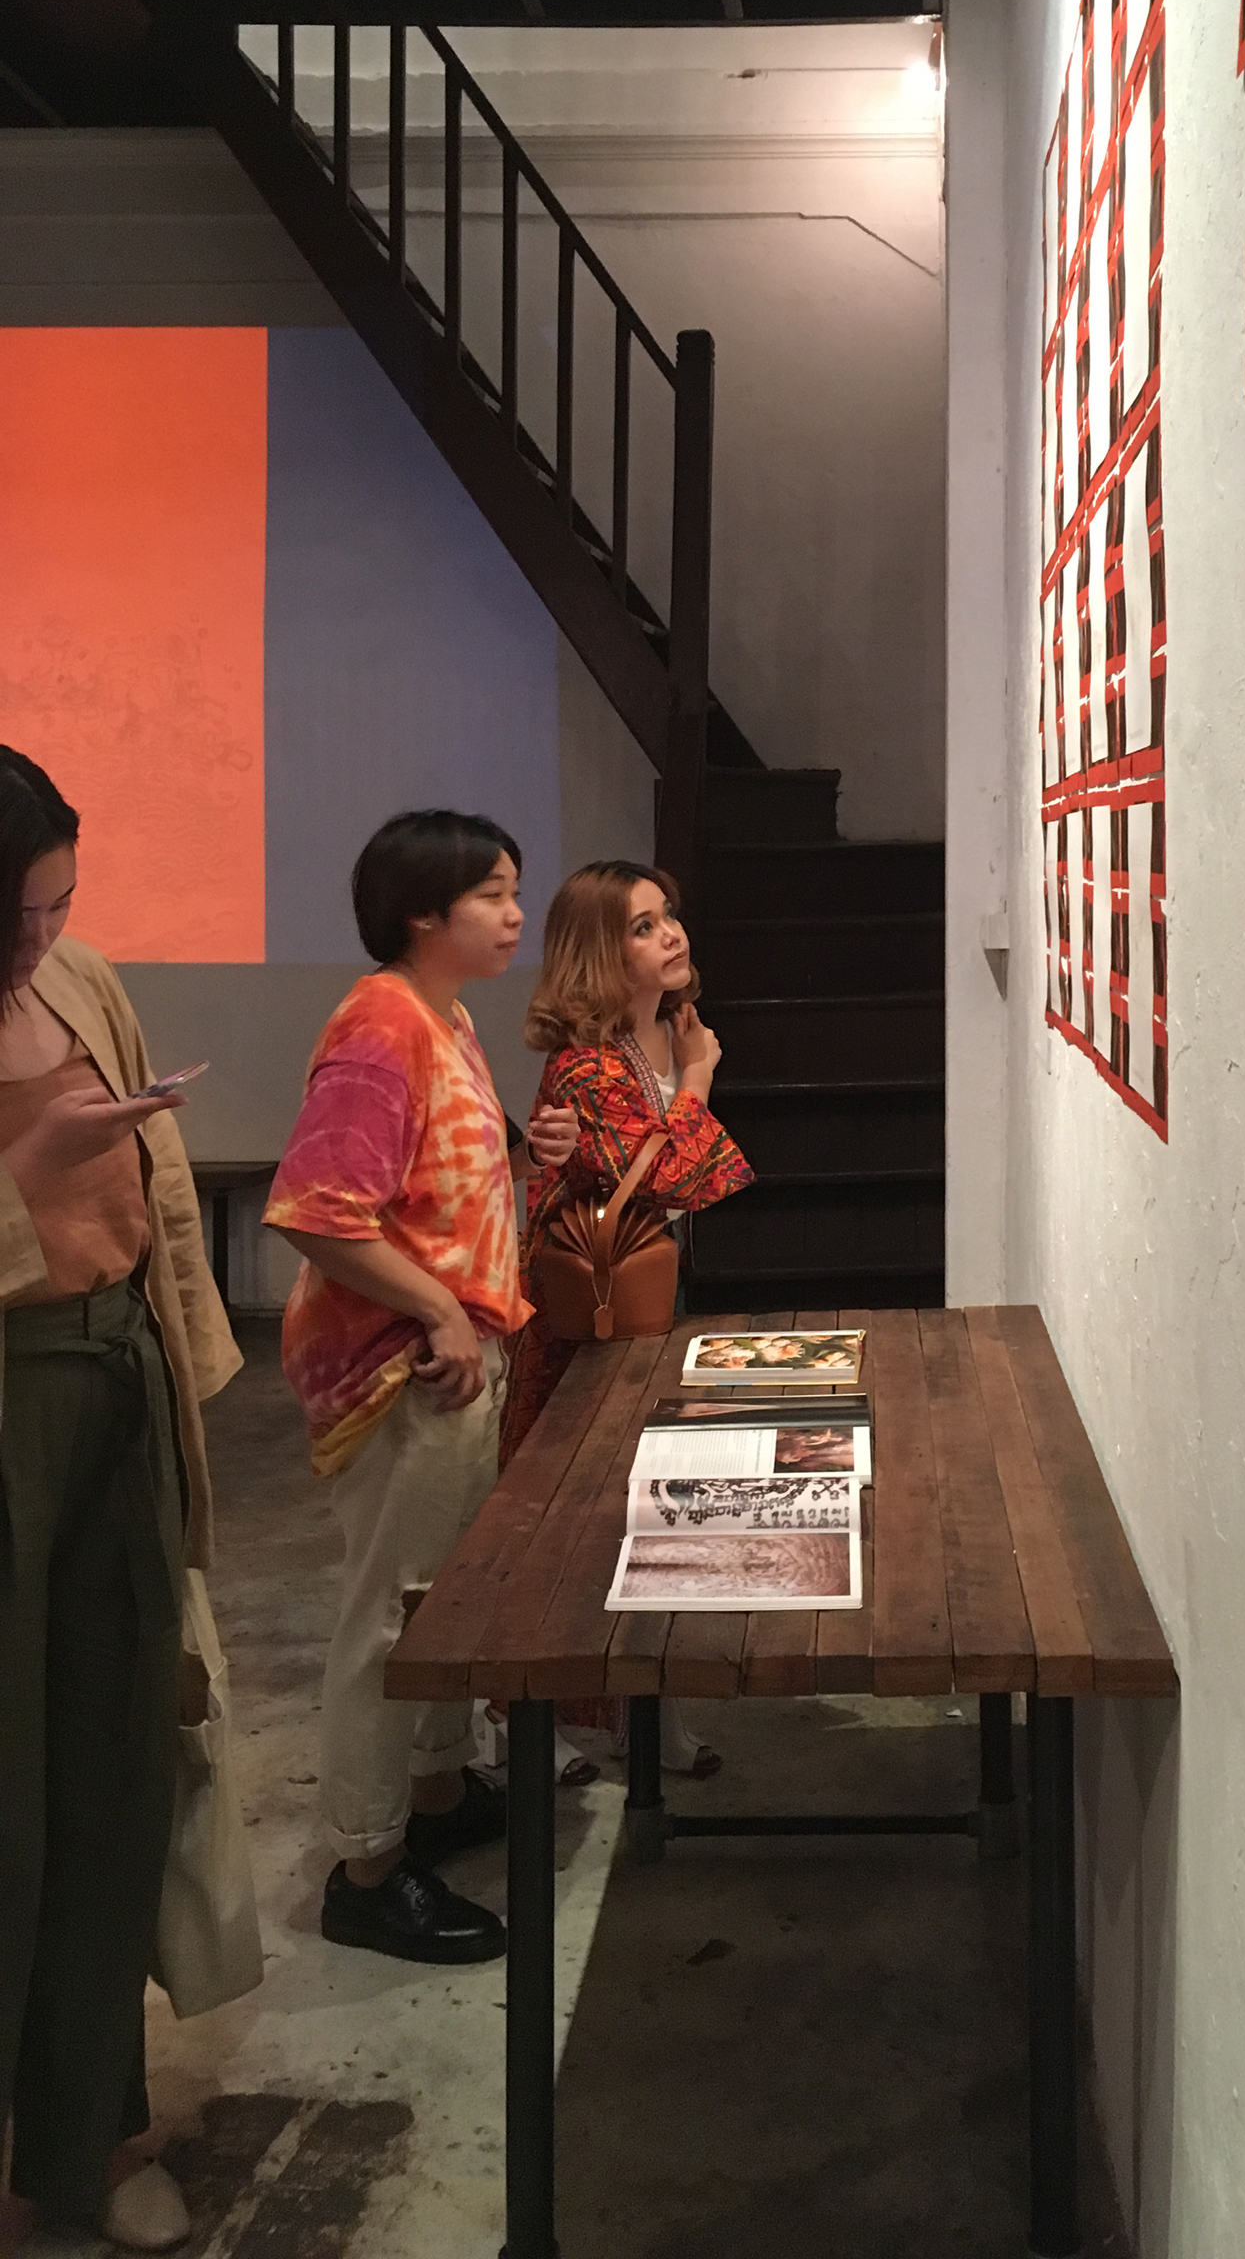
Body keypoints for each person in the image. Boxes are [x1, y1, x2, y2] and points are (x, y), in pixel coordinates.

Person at [0, 749, 241, 2255]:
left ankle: (90, 2136)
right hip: (8, 1390)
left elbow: (158, 1199)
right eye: (13, 917)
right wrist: (27, 1158)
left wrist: (187, 1364)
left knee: (117, 1767)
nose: (41, 938)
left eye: (59, 904)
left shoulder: (81, 980)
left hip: (115, 1378)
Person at [264, 812, 579, 1963]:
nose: (513, 913)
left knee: (441, 1599)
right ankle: (366, 1862)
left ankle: (436, 1795)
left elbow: (430, 1184)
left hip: (454, 1354)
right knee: (391, 1616)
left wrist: (526, 1153)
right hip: (404, 1366)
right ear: (420, 912)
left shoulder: (442, 1015)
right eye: (491, 893)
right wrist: (440, 1309)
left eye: (513, 889)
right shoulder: (381, 1027)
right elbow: (316, 1210)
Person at [503, 861, 753, 1770]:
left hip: (638, 1297)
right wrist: (700, 1077)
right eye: (643, 926)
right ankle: (556, 1719)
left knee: (643, 1508)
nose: (670, 933)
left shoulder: (656, 1040)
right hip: (587, 1319)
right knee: (578, 1516)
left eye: (668, 914)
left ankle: (638, 1715)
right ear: (598, 956)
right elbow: (680, 1178)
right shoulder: (591, 1064)